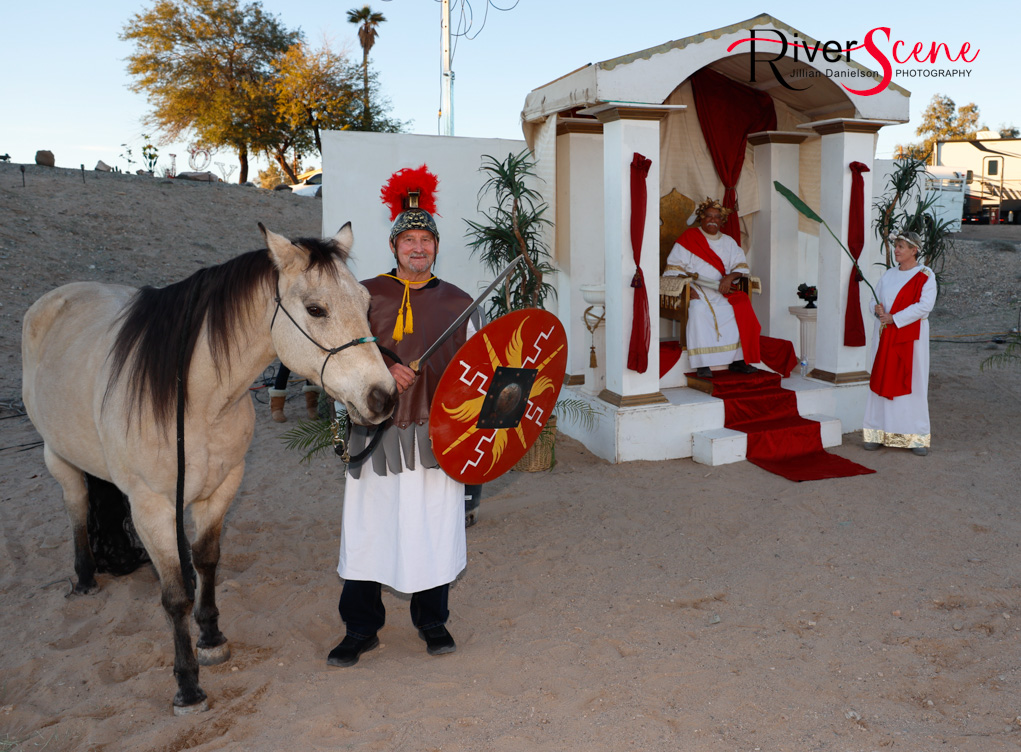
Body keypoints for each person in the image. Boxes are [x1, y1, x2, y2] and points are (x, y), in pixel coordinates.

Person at [328, 169, 478, 667]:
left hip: (437, 436)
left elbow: (480, 371)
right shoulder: (363, 295)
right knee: (369, 528)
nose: (418, 247)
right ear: (394, 247)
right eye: (409, 239)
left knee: (434, 529)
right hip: (377, 434)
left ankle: (432, 621)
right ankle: (360, 628)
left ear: (436, 247)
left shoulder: (459, 303)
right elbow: (340, 359)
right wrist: (385, 368)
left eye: (426, 239)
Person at [662, 197, 761, 378]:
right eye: (708, 216)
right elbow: (673, 269)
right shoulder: (689, 238)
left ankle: (738, 360)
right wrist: (686, 289)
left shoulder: (729, 242)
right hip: (696, 289)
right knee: (699, 310)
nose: (713, 220)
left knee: (739, 307)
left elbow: (740, 266)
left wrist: (729, 277)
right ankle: (703, 364)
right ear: (702, 218)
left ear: (722, 221)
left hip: (723, 290)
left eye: (717, 217)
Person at [862, 231, 937, 456]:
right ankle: (878, 432)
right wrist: (877, 310)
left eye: (901, 246)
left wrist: (895, 318)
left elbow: (925, 306)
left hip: (910, 339)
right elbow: (874, 300)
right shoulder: (888, 275)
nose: (896, 250)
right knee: (883, 377)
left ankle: (915, 437)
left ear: (914, 250)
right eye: (896, 245)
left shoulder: (925, 275)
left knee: (912, 383)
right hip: (885, 337)